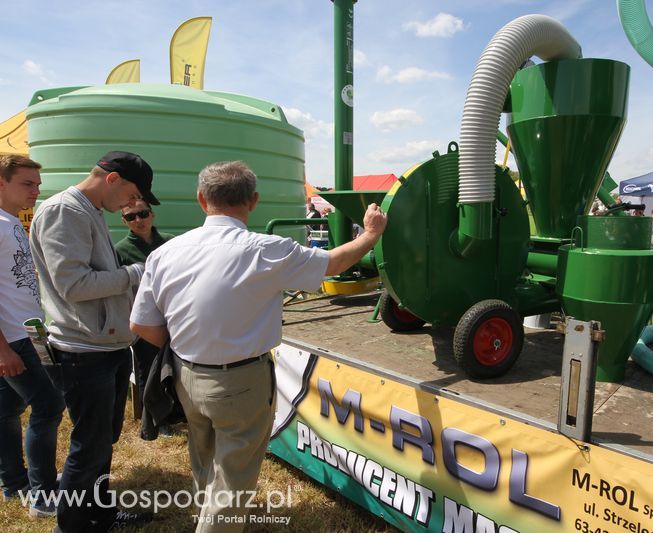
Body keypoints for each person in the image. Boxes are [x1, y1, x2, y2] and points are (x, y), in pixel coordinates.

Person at [129, 161, 387, 531]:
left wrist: (191, 342)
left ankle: (207, 513)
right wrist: (370, 235)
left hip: (186, 376)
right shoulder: (267, 250)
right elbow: (333, 263)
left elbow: (140, 324)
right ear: (253, 201)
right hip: (242, 383)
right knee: (234, 481)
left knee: (204, 456)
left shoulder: (166, 252)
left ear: (202, 199)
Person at [29, 151, 157, 532]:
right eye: (133, 194)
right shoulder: (64, 212)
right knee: (88, 447)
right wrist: (137, 272)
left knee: (102, 443)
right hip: (84, 351)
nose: (134, 205)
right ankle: (71, 525)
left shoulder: (88, 210)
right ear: (113, 179)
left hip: (106, 345)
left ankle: (99, 514)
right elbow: (74, 285)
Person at [0, 155, 65, 518]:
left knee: (7, 409)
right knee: (49, 405)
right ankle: (43, 497)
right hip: (14, 338)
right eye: (27, 184)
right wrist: (3, 349)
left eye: (38, 185)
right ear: (1, 183)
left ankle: (15, 483)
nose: (35, 192)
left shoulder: (11, 223)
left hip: (25, 332)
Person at [114, 200, 175, 438]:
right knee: (147, 370)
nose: (138, 220)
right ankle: (155, 420)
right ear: (124, 221)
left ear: (152, 214)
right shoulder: (120, 251)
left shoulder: (171, 242)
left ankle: (175, 411)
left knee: (175, 367)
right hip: (143, 321)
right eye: (131, 217)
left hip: (173, 315)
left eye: (142, 214)